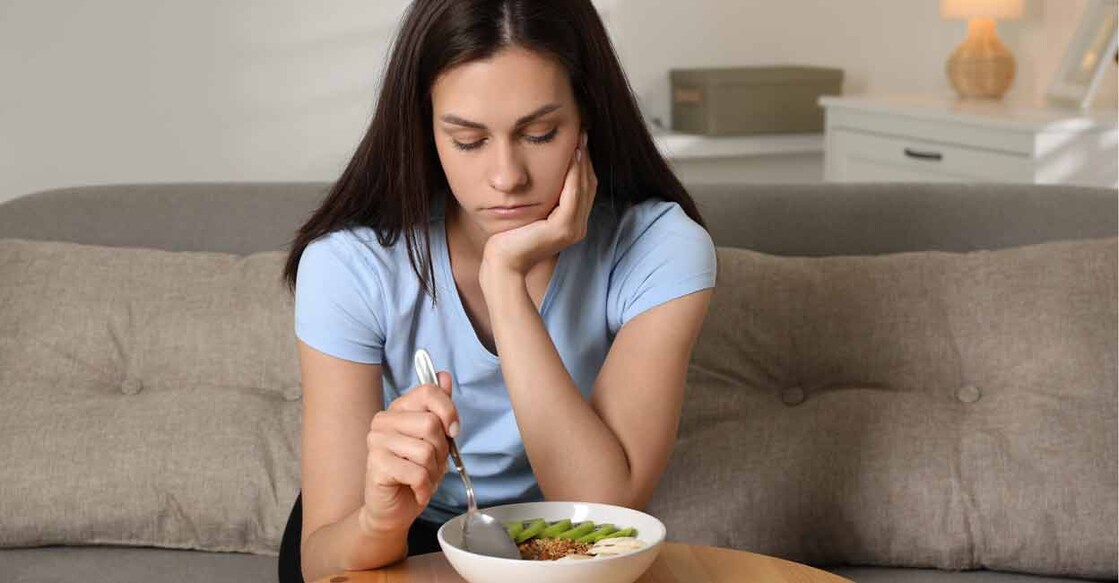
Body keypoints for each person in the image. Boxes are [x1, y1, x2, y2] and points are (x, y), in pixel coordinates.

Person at [276, 1, 716, 581]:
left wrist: (505, 279)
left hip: (556, 534)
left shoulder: (660, 248)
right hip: (385, 535)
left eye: (539, 133)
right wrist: (381, 519)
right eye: (468, 141)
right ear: (424, 130)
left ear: (587, 118)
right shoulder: (351, 264)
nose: (507, 177)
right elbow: (321, 560)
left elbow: (605, 510)